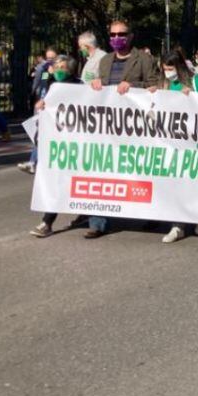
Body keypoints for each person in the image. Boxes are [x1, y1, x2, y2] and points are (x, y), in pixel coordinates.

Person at [85, 20, 159, 238]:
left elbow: (155, 86)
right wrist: (96, 84)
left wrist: (133, 87)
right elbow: (100, 89)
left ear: (131, 36)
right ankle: (97, 223)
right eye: (113, 34)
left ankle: (152, 215)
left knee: (141, 172)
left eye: (122, 34)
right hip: (107, 126)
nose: (117, 37)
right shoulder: (106, 60)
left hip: (136, 127)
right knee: (101, 170)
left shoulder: (144, 59)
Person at [148, 49, 198, 244]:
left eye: (170, 68)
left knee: (193, 184)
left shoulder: (196, 82)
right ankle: (178, 225)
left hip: (193, 143)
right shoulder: (163, 84)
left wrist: (193, 97)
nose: (167, 72)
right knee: (174, 184)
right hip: (169, 143)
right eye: (164, 68)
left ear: (179, 66)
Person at [29, 55, 82, 238]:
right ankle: (47, 221)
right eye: (55, 65)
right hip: (56, 143)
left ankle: (88, 214)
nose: (58, 69)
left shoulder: (80, 86)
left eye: (62, 67)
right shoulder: (49, 80)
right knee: (56, 181)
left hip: (75, 142)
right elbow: (40, 91)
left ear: (71, 69)